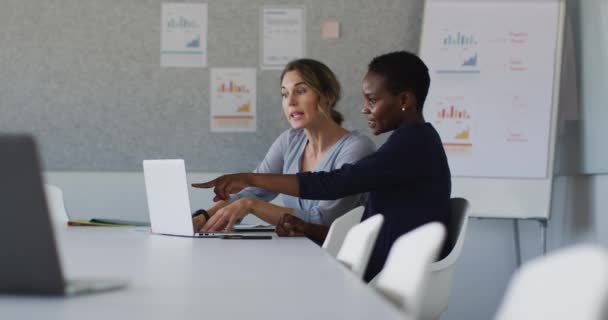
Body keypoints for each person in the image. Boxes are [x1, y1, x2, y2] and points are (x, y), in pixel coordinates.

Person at [193, 51, 451, 282]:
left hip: (383, 277)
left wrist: (252, 179)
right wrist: (307, 229)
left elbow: (334, 183)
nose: (364, 109)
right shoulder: (412, 141)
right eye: (284, 94)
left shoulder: (411, 143)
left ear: (405, 99)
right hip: (375, 268)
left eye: (372, 100)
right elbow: (361, 225)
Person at [192, 58, 375, 233]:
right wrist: (203, 216)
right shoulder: (289, 141)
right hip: (299, 251)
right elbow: (252, 192)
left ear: (328, 96)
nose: (290, 101)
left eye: (301, 91)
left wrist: (251, 205)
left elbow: (324, 221)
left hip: (338, 260)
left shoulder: (358, 147)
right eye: (285, 94)